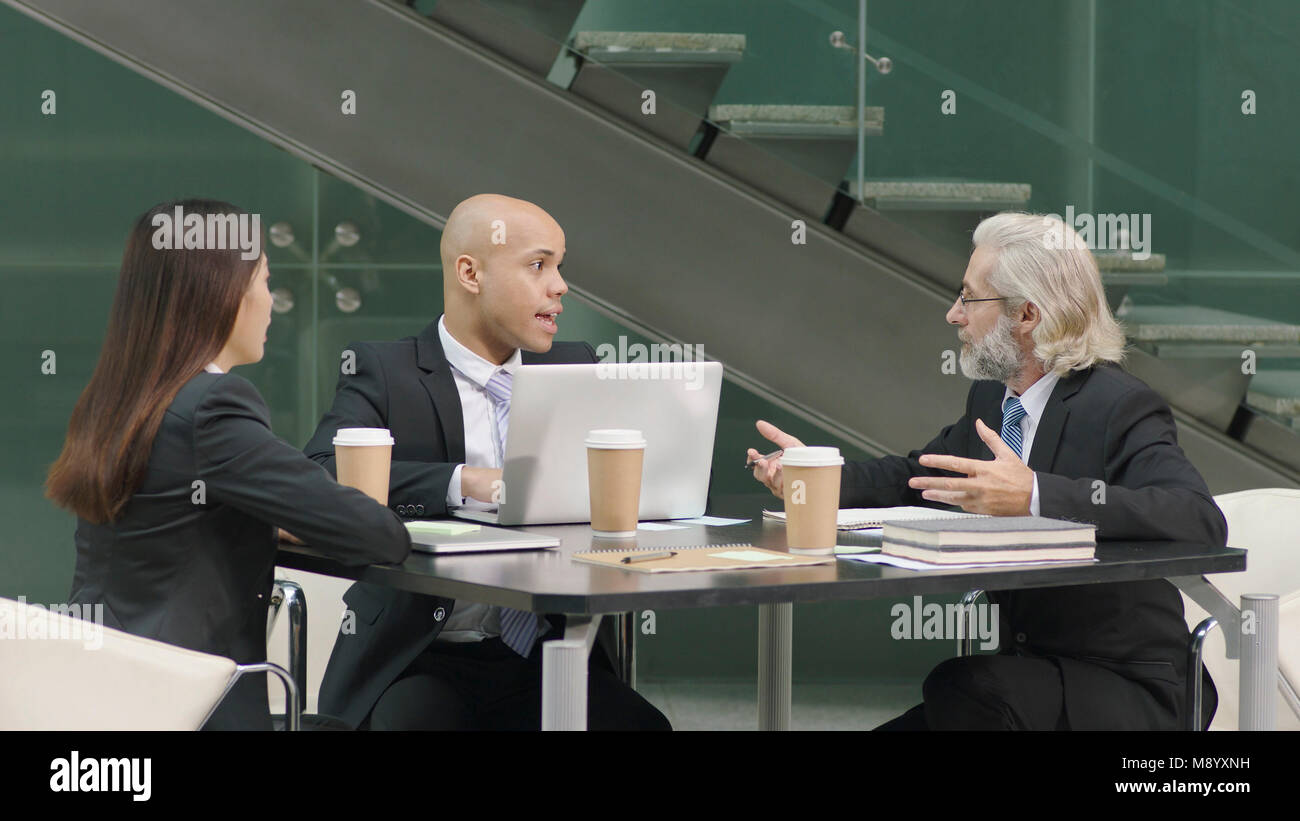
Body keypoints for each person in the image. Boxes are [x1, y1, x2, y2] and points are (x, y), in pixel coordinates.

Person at [749, 211, 1227, 730]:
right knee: (963, 695)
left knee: (963, 685)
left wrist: (1036, 494)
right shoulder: (992, 398)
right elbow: (920, 478)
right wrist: (814, 475)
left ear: (1026, 315)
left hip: (1125, 688)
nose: (954, 315)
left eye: (970, 299)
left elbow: (1198, 518)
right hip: (1025, 683)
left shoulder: (1119, 405)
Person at [306, 194, 669, 730]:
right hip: (423, 659)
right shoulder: (385, 371)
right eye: (538, 265)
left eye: (560, 266)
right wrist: (464, 482)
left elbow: (659, 487)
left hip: (546, 656)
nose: (560, 286)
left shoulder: (577, 368)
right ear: (470, 273)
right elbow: (318, 474)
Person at [47, 199, 412, 730]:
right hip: (187, 703)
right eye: (265, 280)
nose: (272, 303)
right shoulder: (214, 406)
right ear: (223, 294)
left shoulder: (119, 396)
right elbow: (379, 536)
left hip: (106, 691)